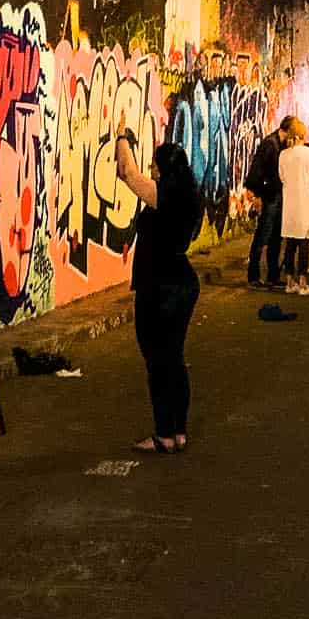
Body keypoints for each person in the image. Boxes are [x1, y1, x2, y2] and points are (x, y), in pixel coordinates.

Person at [115, 118, 202, 456]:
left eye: (154, 165)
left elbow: (127, 173)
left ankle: (164, 433)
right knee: (173, 358)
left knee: (157, 359)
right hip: (181, 281)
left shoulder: (165, 195)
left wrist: (120, 136)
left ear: (164, 169)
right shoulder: (188, 195)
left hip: (160, 285)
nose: (150, 170)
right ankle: (177, 430)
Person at [278, 115, 309, 296]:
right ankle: (303, 282)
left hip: (289, 204)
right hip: (306, 204)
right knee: (304, 244)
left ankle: (290, 281)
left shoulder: (283, 155)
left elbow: (282, 178)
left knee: (290, 244)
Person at [245, 113, 289, 289]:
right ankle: (254, 276)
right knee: (263, 236)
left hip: (276, 195)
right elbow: (257, 170)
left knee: (276, 237)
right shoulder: (270, 144)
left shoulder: (280, 144)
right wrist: (257, 196)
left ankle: (272, 275)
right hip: (269, 196)